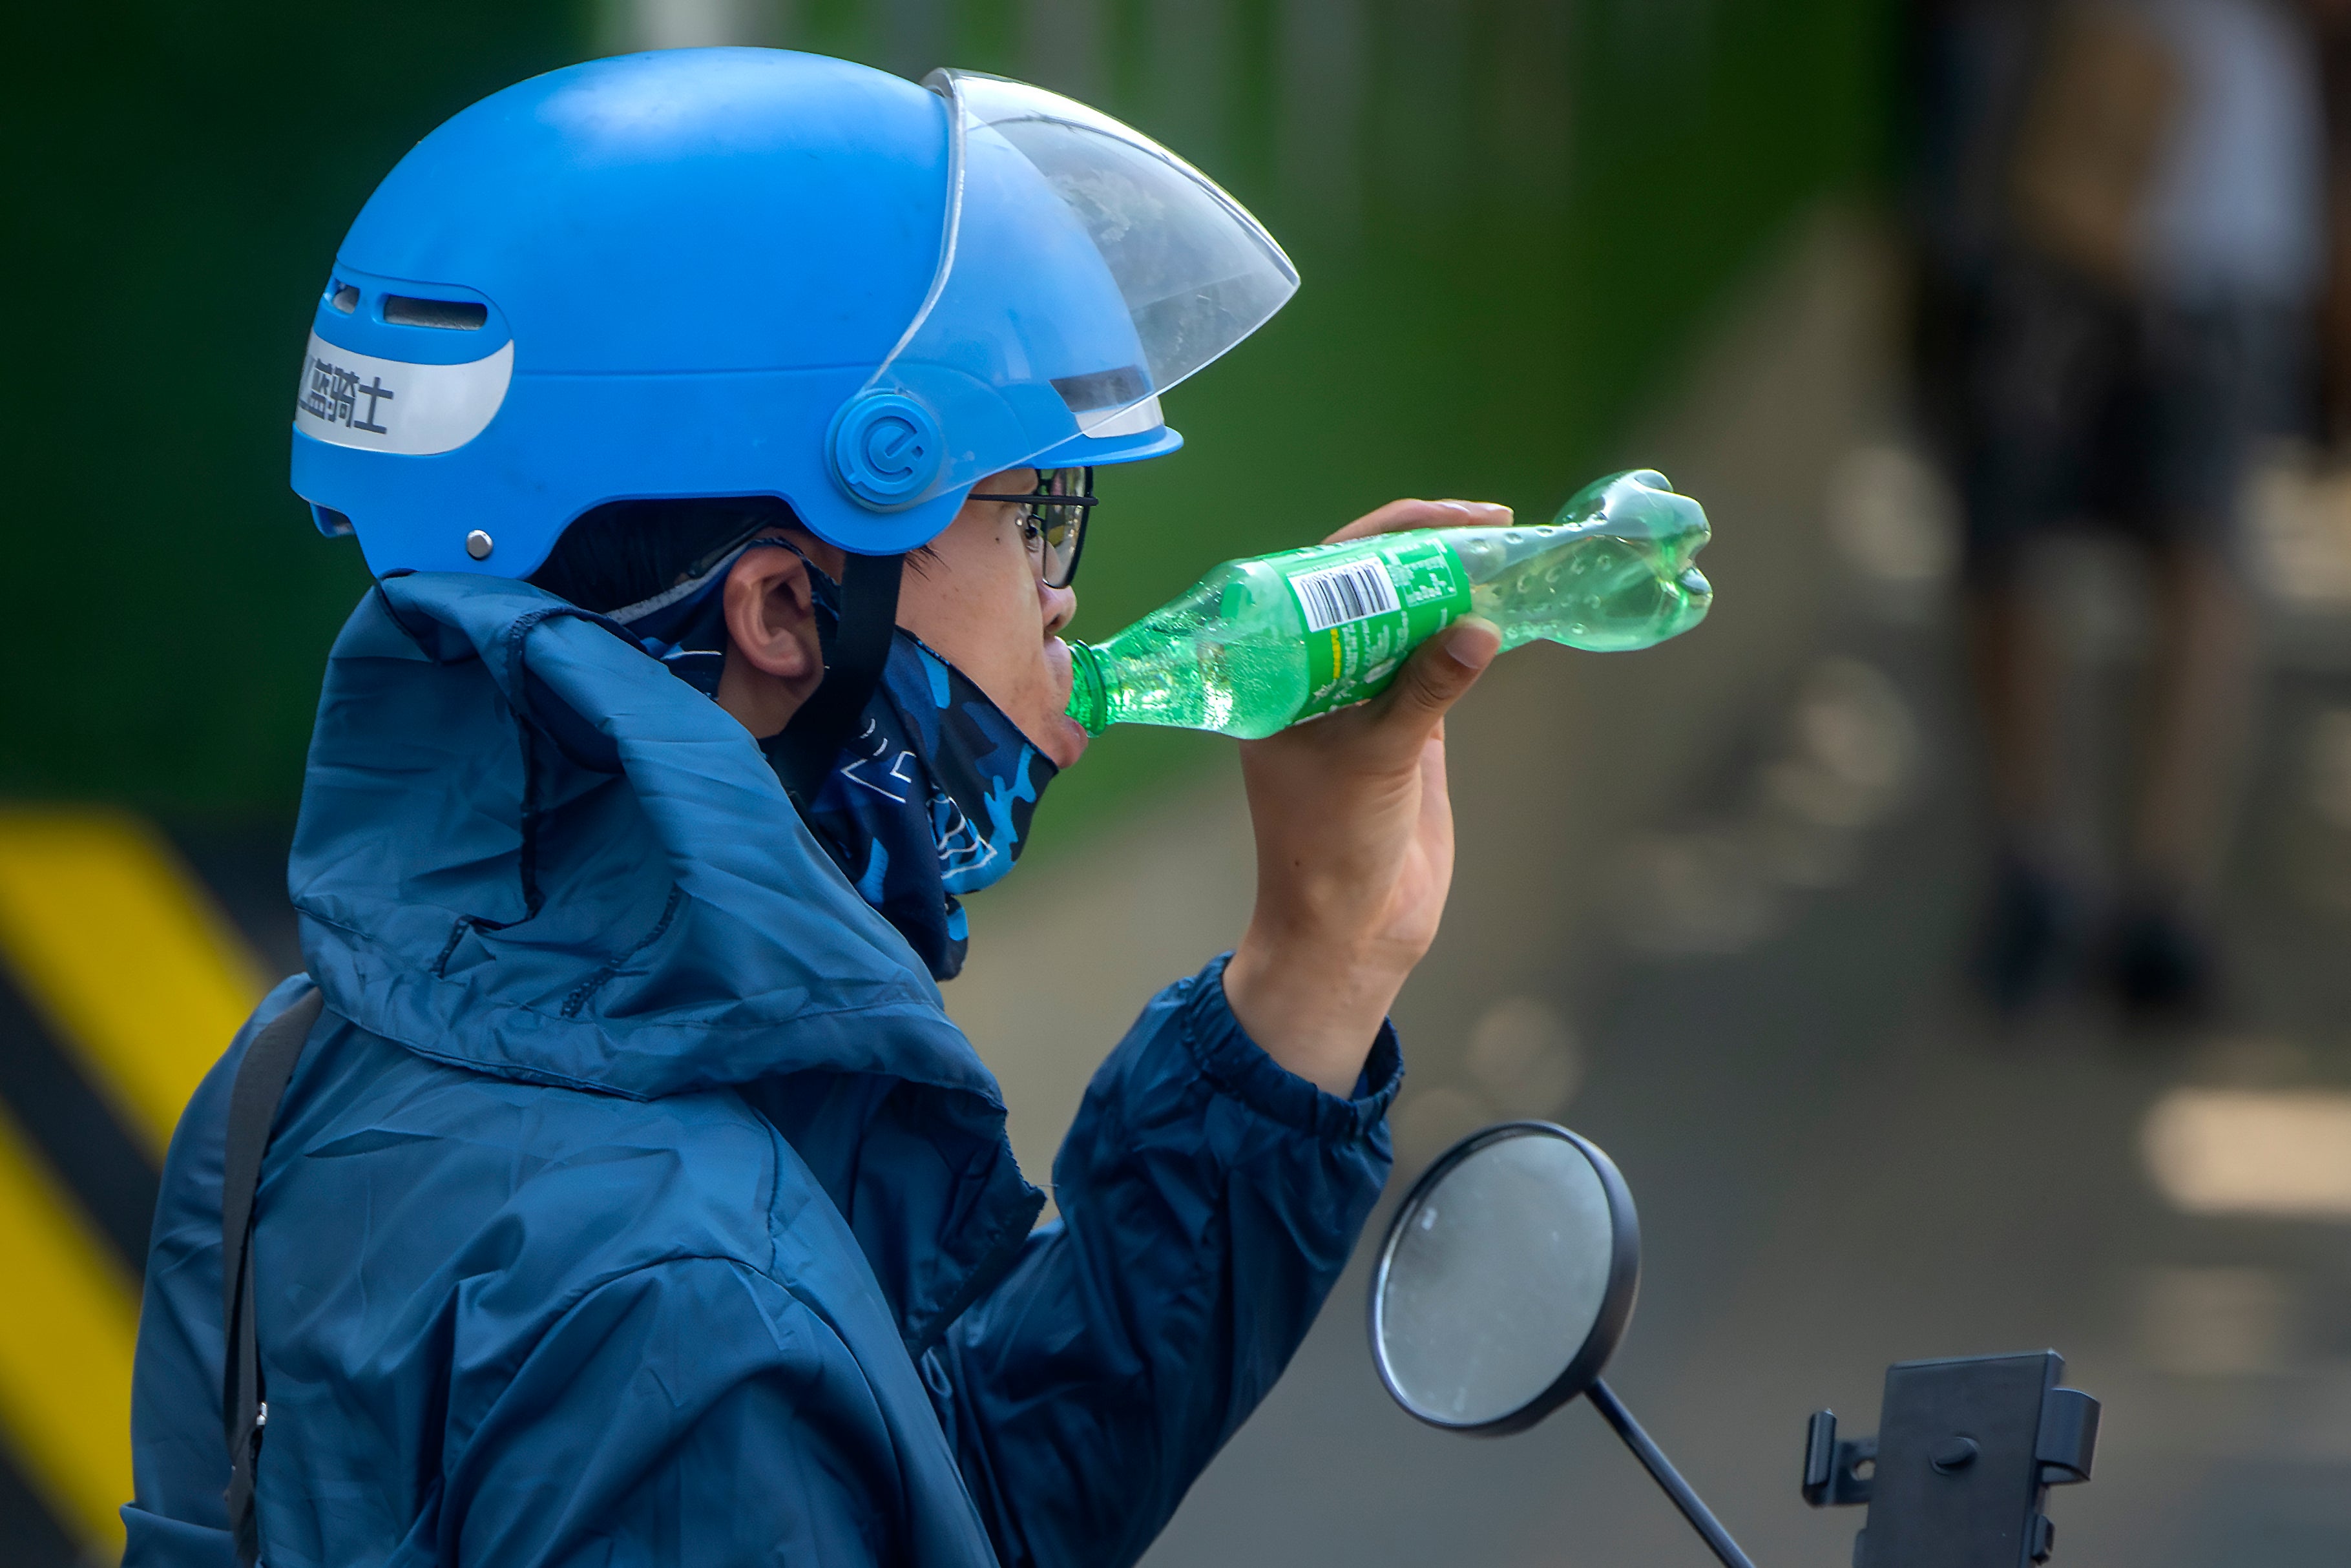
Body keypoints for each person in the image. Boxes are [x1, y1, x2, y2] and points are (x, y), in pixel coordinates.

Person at [121, 48, 1510, 1568]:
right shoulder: (685, 1306)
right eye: (1032, 518)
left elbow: (930, 1492)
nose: (1061, 599)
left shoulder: (307, 1064)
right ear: (787, 610)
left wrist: (1319, 949)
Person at [1906, 0, 2326, 1020]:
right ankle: (2037, 869)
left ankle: (2162, 894)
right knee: (2008, 549)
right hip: (2042, 195)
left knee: (2198, 554)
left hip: (2216, 224)